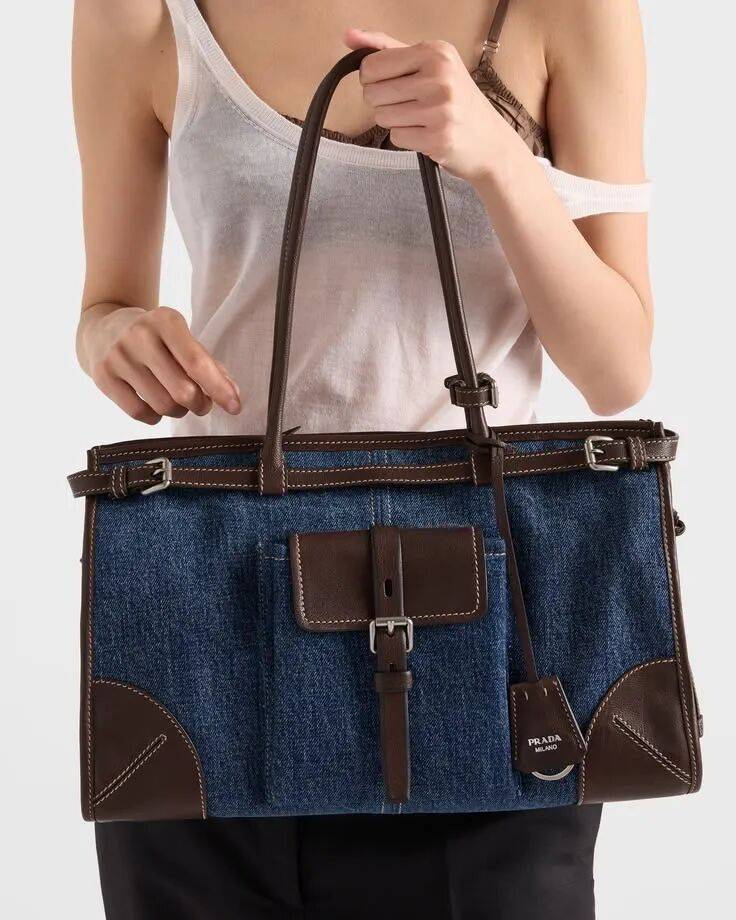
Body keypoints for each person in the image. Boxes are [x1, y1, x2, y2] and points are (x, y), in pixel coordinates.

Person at [73, 1, 653, 916]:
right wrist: (116, 336)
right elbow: (105, 303)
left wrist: (500, 159)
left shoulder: (568, 12)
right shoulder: (136, 14)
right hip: (217, 635)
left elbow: (617, 370)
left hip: (490, 659)